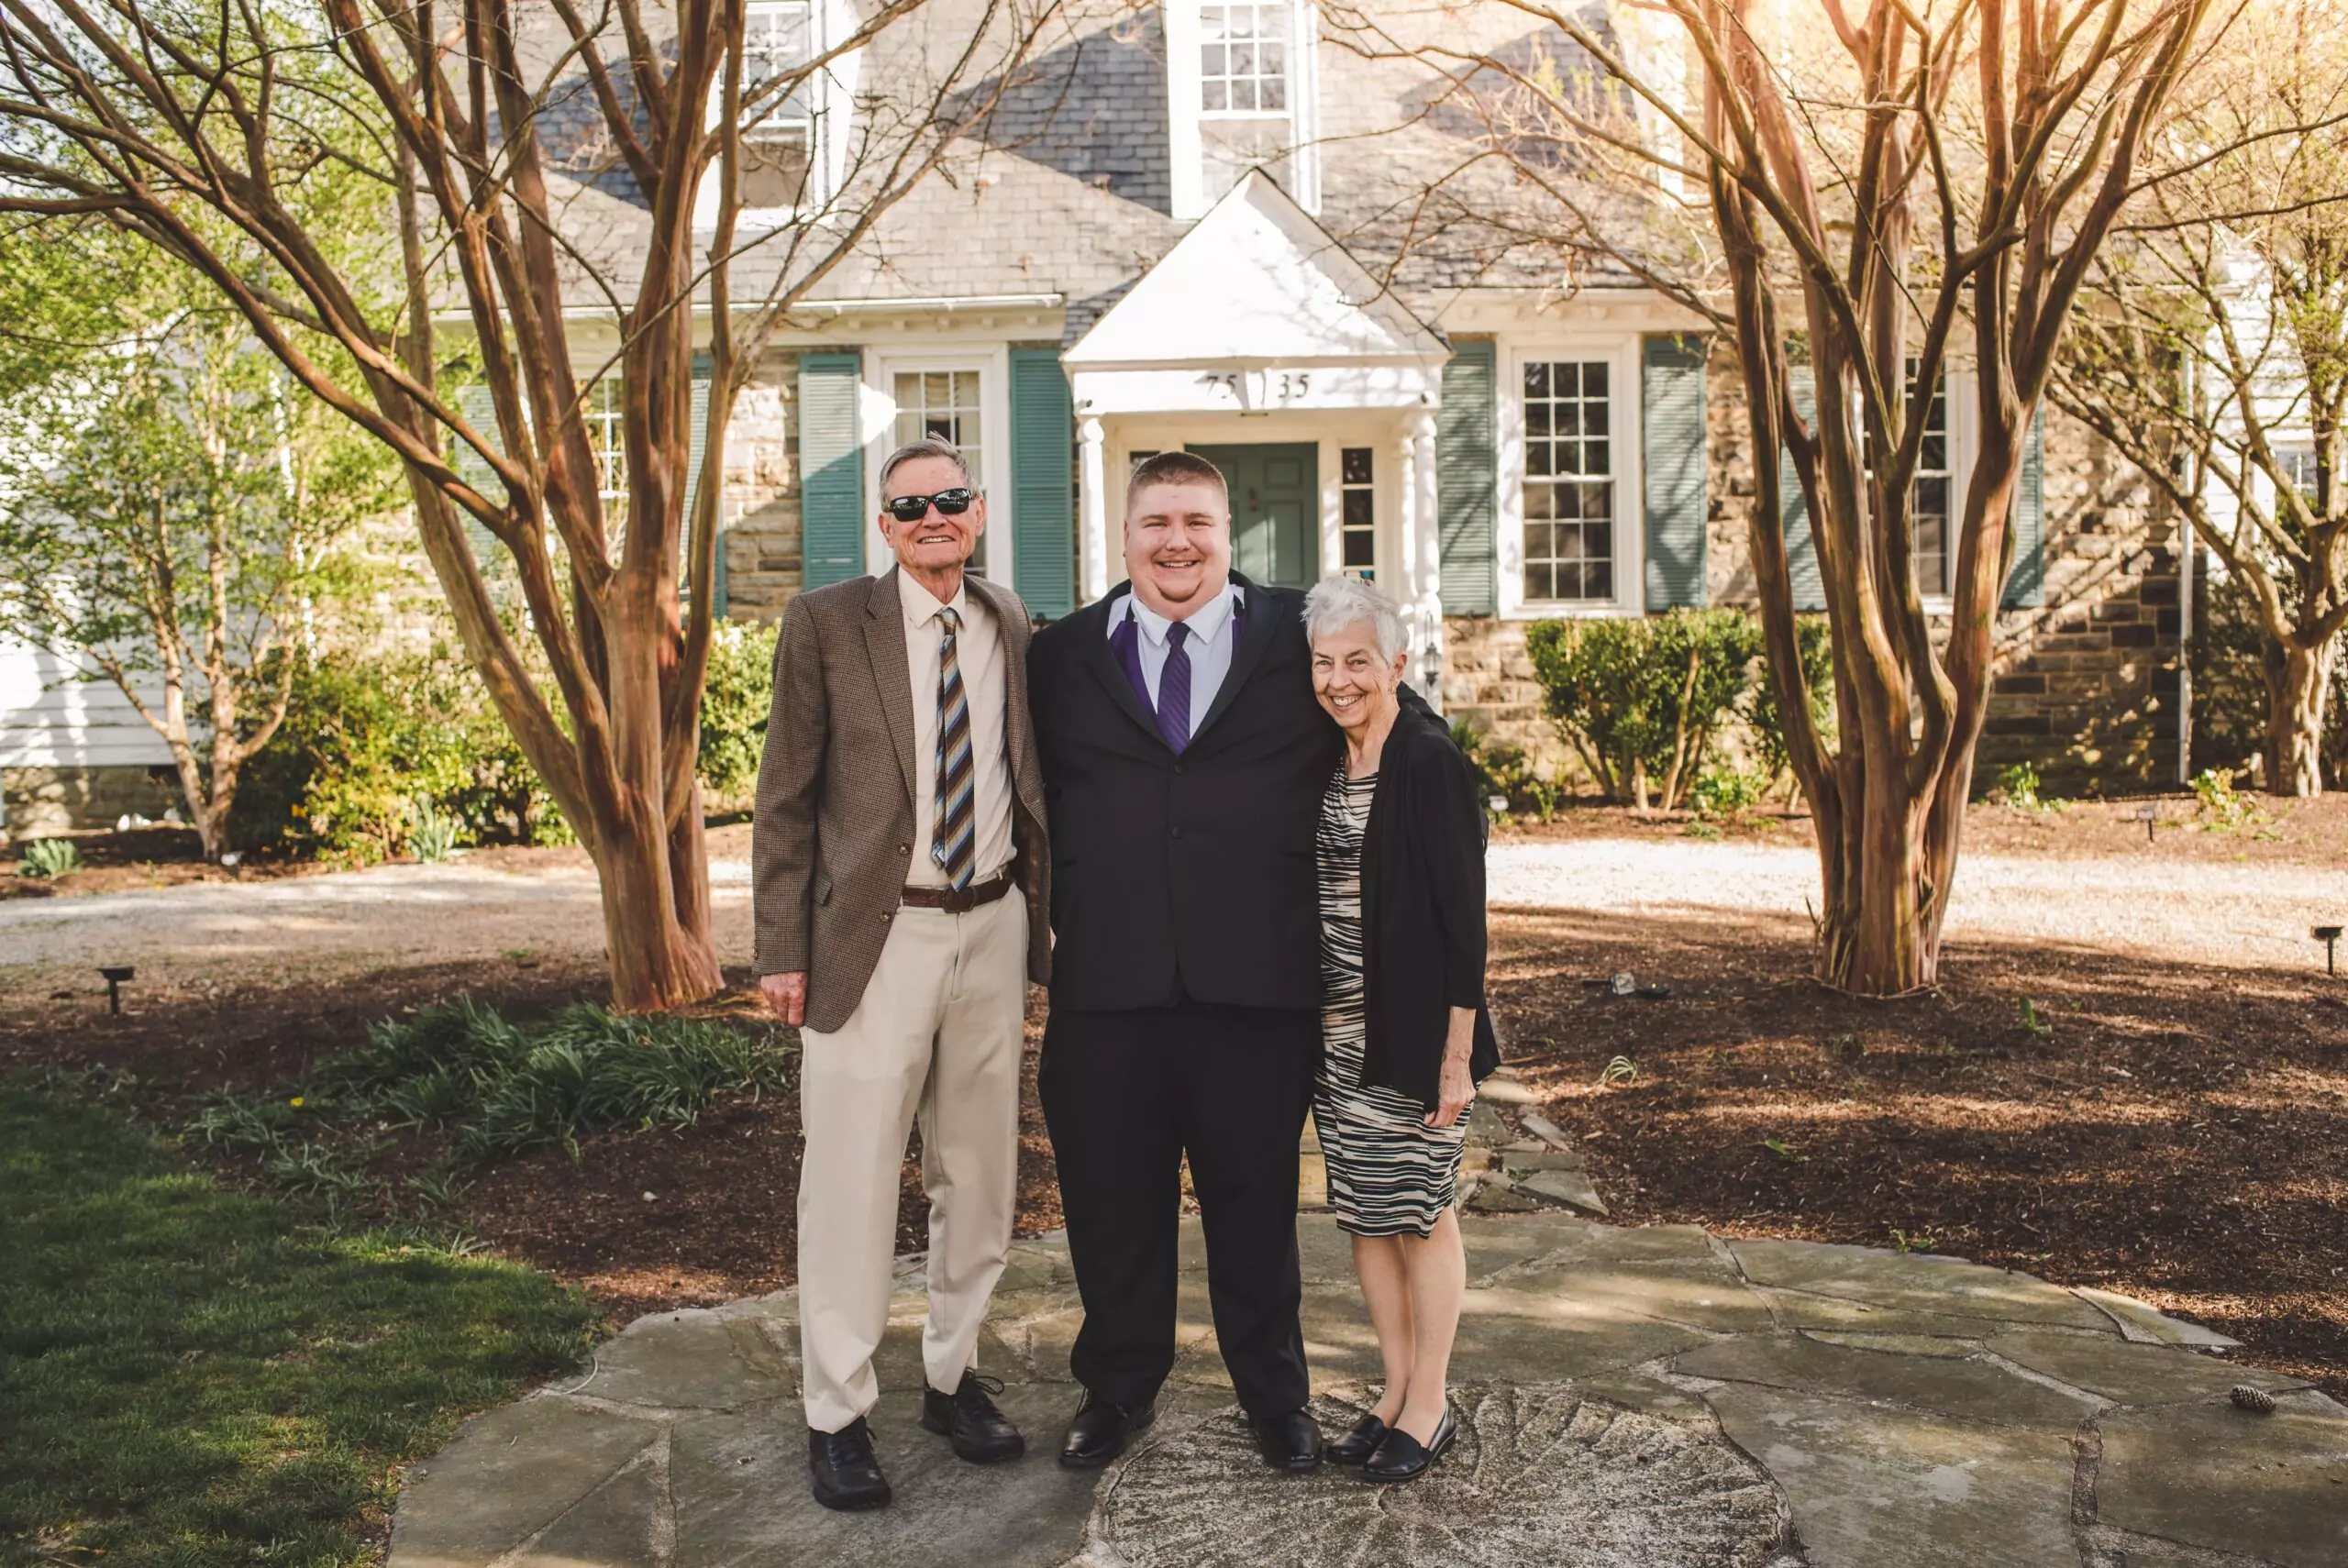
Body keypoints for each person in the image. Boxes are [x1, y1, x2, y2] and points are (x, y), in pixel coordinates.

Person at [751, 435, 1052, 1511]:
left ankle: (952, 1374)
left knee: (977, 1173)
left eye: (951, 500)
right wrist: (781, 949)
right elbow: (784, 800)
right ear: (883, 526)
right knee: (849, 1179)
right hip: (873, 940)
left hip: (995, 924)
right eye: (910, 506)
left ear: (977, 512)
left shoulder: (1010, 621)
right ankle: (836, 1412)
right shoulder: (830, 624)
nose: (934, 519)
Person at [1025, 450, 1338, 1474]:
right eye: (1156, 521)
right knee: (1112, 1208)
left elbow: (1393, 734)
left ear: (1226, 533)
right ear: (1123, 535)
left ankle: (1274, 1401)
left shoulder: (1303, 635)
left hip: (1256, 985)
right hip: (1105, 985)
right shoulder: (1058, 654)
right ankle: (1115, 1392)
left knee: (1255, 1209)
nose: (1176, 542)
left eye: (1196, 522)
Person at [1299, 574, 1499, 1484]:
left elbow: (1466, 925)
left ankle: (1431, 1403)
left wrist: (1455, 1060)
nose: (1340, 679)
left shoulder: (1425, 759)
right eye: (1325, 662)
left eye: (1358, 662)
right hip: (1335, 1035)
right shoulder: (1326, 754)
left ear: (1396, 664)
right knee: (1367, 1219)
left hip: (1414, 1035)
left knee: (1421, 1216)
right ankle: (1391, 1390)